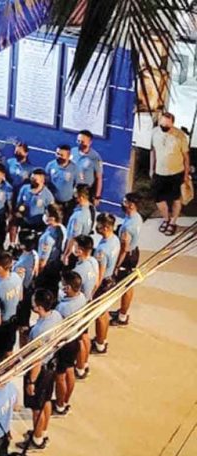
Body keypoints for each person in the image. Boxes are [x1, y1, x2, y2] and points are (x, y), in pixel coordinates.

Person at [17, 289, 62, 450]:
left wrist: (31, 381)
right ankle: (42, 431)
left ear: (39, 307)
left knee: (37, 408)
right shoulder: (56, 316)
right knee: (47, 401)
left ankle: (36, 440)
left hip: (40, 370)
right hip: (51, 365)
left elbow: (35, 359)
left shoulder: (38, 331)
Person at [150, 111, 190, 236]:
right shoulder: (155, 132)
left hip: (176, 172)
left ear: (172, 124)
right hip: (159, 172)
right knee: (159, 199)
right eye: (162, 125)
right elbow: (153, 151)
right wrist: (152, 168)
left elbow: (186, 157)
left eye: (166, 126)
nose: (164, 128)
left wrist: (186, 174)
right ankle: (166, 218)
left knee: (175, 199)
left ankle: (173, 222)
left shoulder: (180, 136)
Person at [53, 271, 87, 416]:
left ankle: (60, 404)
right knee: (70, 370)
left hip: (64, 342)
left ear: (69, 288)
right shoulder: (82, 298)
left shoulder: (63, 308)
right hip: (74, 339)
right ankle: (65, 401)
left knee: (60, 376)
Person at [111, 193, 144, 326]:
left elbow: (124, 249)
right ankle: (122, 311)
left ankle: (122, 317)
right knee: (128, 285)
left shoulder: (128, 227)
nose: (122, 203)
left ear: (131, 205)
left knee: (126, 287)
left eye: (125, 202)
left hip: (127, 257)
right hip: (134, 252)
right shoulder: (137, 217)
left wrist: (117, 266)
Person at [91, 213, 121, 355]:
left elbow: (100, 274)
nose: (97, 228)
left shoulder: (102, 250)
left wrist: (92, 291)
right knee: (105, 312)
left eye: (99, 225)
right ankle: (102, 339)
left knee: (100, 315)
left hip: (103, 283)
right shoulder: (115, 239)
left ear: (106, 227)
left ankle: (100, 344)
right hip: (111, 280)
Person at [71, 235, 99, 380]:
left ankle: (80, 368)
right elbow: (96, 283)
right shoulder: (94, 261)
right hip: (88, 301)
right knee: (85, 335)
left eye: (75, 246)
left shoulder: (79, 270)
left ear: (80, 250)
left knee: (80, 338)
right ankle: (84, 362)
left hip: (79, 306)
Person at [0, 250, 23, 364]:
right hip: (13, 322)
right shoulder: (17, 278)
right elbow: (20, 297)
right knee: (9, 350)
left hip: (0, 327)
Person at [13, 229, 39, 347]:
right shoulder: (33, 254)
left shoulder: (24, 262)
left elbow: (19, 281)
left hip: (22, 294)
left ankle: (22, 352)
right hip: (29, 291)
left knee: (21, 326)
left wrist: (18, 299)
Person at [6, 142, 35, 246]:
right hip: (10, 196)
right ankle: (12, 244)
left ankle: (20, 244)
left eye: (20, 151)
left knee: (20, 220)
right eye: (16, 151)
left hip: (22, 198)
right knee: (12, 220)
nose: (17, 153)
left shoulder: (30, 168)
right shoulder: (9, 162)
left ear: (26, 153)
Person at [71, 129, 104, 214]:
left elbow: (99, 178)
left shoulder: (95, 157)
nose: (80, 143)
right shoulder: (72, 152)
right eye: (78, 141)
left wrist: (97, 196)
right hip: (71, 190)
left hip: (85, 193)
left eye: (82, 141)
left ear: (90, 142)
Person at [36, 204, 66, 295]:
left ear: (52, 218)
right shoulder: (62, 228)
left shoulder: (48, 238)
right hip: (56, 265)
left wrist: (37, 275)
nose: (45, 215)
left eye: (47, 214)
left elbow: (43, 261)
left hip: (47, 268)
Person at [45, 144, 79, 222]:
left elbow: (77, 185)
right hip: (53, 202)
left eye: (62, 155)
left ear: (68, 156)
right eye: (57, 154)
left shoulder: (74, 168)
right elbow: (46, 182)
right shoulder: (50, 165)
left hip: (68, 203)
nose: (59, 156)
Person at [62, 185, 94, 267]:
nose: (74, 196)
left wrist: (66, 254)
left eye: (75, 194)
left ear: (81, 197)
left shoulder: (78, 217)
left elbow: (73, 238)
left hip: (75, 251)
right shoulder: (91, 209)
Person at [16, 168, 55, 235]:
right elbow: (19, 204)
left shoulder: (48, 195)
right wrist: (19, 210)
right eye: (32, 178)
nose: (32, 181)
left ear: (42, 180)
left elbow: (52, 211)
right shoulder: (24, 189)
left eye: (35, 179)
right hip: (25, 223)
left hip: (39, 225)